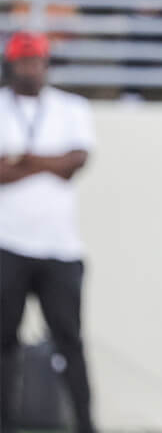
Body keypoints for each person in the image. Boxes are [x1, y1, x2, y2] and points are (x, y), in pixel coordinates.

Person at [0, 32, 97, 433]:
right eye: (24, 62)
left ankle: (85, 424)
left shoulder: (70, 107)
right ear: (11, 65)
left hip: (60, 249)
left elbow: (76, 160)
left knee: (70, 342)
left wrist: (24, 159)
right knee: (4, 342)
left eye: (37, 61)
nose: (31, 68)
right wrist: (48, 162)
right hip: (8, 245)